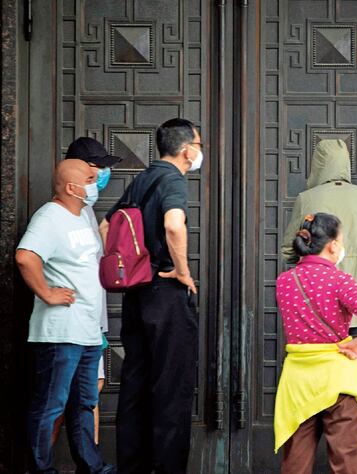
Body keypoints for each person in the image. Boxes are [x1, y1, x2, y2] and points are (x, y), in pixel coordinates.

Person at [101, 118, 202, 474]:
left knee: (136, 383)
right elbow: (174, 224)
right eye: (199, 145)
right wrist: (183, 272)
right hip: (165, 292)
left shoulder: (141, 179)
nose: (199, 152)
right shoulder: (172, 179)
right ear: (186, 148)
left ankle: (132, 467)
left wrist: (130, 266)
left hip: (137, 294)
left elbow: (105, 226)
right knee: (171, 388)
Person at [16, 159, 114, 474]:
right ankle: (40, 469)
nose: (96, 181)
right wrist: (46, 293)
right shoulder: (50, 217)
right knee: (50, 406)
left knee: (84, 404)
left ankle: (91, 466)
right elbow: (25, 256)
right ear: (72, 187)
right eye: (89, 177)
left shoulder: (81, 217)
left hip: (86, 332)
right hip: (60, 333)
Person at [274, 213, 357, 474]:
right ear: (333, 245)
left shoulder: (284, 281)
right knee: (346, 462)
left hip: (298, 381)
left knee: (295, 464)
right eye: (341, 240)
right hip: (338, 380)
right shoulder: (339, 280)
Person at [282, 139, 357, 343]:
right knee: (349, 369)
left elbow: (288, 250)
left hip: (313, 306)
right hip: (356, 303)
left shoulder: (306, 198)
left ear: (317, 164)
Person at [60, 137, 122, 444]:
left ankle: (90, 461)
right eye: (97, 168)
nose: (102, 176)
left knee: (91, 389)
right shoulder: (60, 214)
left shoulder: (87, 211)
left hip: (90, 322)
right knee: (59, 400)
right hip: (72, 323)